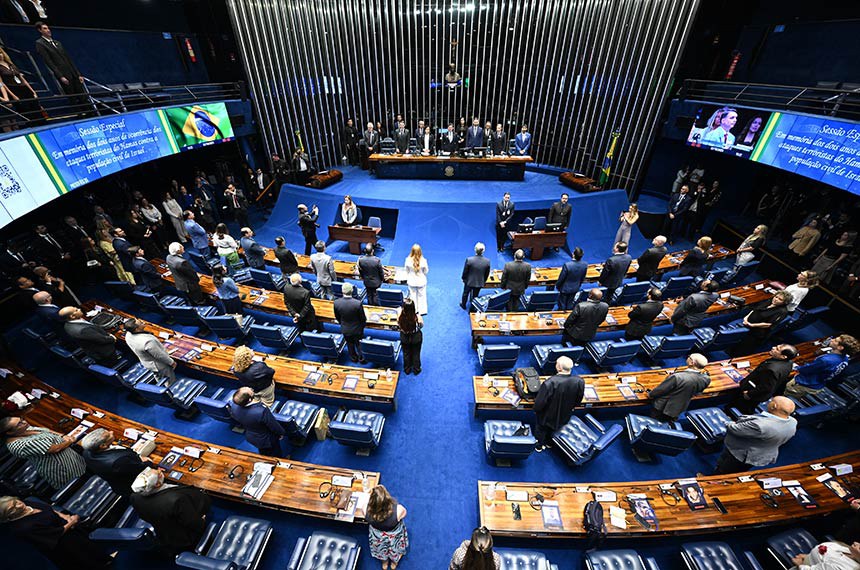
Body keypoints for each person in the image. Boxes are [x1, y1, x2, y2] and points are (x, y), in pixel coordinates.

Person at [0, 495, 113, 570]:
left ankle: (106, 560)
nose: (19, 505)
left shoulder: (26, 502)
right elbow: (54, 534)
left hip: (69, 529)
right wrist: (71, 522)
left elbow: (49, 508)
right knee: (84, 560)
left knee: (89, 546)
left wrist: (65, 517)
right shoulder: (22, 528)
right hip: (61, 544)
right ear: (8, 516)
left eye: (15, 501)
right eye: (12, 508)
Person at [129, 467, 211, 556]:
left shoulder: (134, 497)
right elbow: (194, 523)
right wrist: (202, 521)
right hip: (186, 537)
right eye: (159, 474)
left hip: (163, 531)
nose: (160, 471)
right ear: (157, 484)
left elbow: (143, 516)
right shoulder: (175, 500)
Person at [714, 396, 797, 474]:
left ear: (774, 406)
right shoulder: (793, 422)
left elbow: (735, 429)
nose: (769, 402)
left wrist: (727, 422)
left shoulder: (760, 425)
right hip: (761, 454)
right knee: (739, 470)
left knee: (725, 469)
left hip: (741, 453)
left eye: (771, 401)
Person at [0, 416, 85, 490]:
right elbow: (55, 449)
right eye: (19, 424)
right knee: (79, 484)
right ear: (9, 432)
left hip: (72, 458)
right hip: (63, 468)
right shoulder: (20, 444)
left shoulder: (25, 429)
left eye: (21, 419)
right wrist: (69, 441)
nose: (24, 422)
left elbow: (45, 430)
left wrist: (62, 436)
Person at [80, 428, 154, 496]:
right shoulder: (118, 462)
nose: (111, 432)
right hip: (134, 486)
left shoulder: (86, 453)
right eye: (109, 435)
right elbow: (141, 469)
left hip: (117, 481)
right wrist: (147, 461)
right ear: (103, 445)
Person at [533, 356, 584, 451]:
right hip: (565, 413)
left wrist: (536, 410)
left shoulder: (549, 383)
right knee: (555, 428)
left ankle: (539, 446)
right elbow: (579, 399)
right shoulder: (579, 381)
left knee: (541, 429)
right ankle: (549, 443)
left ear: (559, 367)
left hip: (547, 415)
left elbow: (540, 402)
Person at [784, 335, 859, 399]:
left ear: (840, 347)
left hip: (803, 384)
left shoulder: (826, 360)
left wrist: (796, 367)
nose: (832, 340)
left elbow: (807, 370)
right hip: (818, 384)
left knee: (784, 398)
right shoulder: (845, 358)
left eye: (835, 341)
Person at [731, 344, 798, 415]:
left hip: (753, 394)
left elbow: (766, 388)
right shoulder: (789, 362)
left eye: (777, 349)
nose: (773, 347)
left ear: (783, 356)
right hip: (764, 386)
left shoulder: (771, 369)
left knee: (742, 408)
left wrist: (749, 394)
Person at [648, 353, 710, 422]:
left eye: (689, 357)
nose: (688, 357)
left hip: (663, 407)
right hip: (680, 407)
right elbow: (698, 392)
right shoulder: (706, 378)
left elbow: (661, 390)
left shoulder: (677, 377)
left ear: (692, 363)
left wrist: (650, 395)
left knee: (655, 421)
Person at [229, 387, 288, 457]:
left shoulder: (234, 406)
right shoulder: (261, 411)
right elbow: (273, 425)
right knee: (275, 452)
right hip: (267, 439)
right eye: (250, 391)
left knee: (264, 451)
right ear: (249, 399)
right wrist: (281, 433)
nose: (251, 389)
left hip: (251, 435)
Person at [730, 290, 792, 356]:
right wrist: (746, 317)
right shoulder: (769, 301)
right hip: (747, 323)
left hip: (757, 332)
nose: (776, 299)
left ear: (784, 302)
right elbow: (755, 309)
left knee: (742, 349)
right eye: (776, 297)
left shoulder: (782, 312)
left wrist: (751, 325)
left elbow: (768, 324)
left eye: (780, 299)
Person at [34, 22, 84, 97]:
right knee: (73, 97)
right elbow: (49, 62)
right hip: (64, 75)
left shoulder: (58, 43)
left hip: (73, 74)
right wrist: (61, 76)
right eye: (45, 28)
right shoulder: (40, 43)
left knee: (83, 96)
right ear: (39, 30)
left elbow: (68, 59)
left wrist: (78, 74)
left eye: (48, 28)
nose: (48, 30)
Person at [124, 318, 177, 386]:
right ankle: (170, 392)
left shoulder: (128, 334)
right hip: (159, 365)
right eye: (141, 323)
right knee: (169, 380)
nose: (143, 322)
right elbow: (159, 355)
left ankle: (160, 385)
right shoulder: (147, 341)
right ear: (136, 329)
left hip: (147, 362)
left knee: (158, 376)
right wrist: (172, 362)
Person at [367, 485, 409, 569]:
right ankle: (394, 563)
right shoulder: (399, 509)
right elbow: (404, 514)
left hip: (377, 536)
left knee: (381, 550)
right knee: (395, 549)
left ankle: (384, 562)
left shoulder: (365, 509)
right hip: (393, 535)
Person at [0, 47, 40, 123]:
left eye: (0, 52)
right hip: (13, 89)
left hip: (24, 88)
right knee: (26, 111)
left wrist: (33, 91)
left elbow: (22, 79)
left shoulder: (11, 64)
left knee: (36, 108)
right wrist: (13, 95)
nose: (0, 55)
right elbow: (2, 84)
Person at [788, 541, 860, 570]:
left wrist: (800, 564)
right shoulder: (855, 554)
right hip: (813, 555)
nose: (856, 543)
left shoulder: (843, 568)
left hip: (807, 564)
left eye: (859, 548)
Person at [555, 247, 587, 311]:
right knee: (570, 304)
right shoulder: (585, 265)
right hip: (575, 287)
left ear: (573, 255)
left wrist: (558, 286)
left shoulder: (567, 265)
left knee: (562, 305)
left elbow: (561, 278)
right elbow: (582, 278)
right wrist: (578, 285)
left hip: (564, 288)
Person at [461, 242, 491, 310]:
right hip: (479, 282)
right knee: (475, 296)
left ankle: (463, 305)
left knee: (465, 293)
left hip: (469, 281)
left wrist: (464, 279)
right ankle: (472, 308)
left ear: (475, 249)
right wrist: (483, 281)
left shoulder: (469, 260)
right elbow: (487, 273)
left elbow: (465, 271)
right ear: (483, 251)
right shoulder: (487, 261)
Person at [398, 298, 424, 375]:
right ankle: (416, 369)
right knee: (416, 353)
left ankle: (407, 369)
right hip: (416, 337)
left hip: (405, 337)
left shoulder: (400, 317)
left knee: (406, 353)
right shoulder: (417, 317)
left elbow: (398, 325)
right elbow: (421, 325)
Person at [405, 243, 429, 315]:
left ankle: (414, 310)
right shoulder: (424, 261)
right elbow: (426, 271)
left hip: (412, 281)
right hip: (421, 281)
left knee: (412, 295)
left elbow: (407, 271)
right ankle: (422, 311)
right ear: (420, 251)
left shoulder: (407, 260)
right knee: (422, 295)